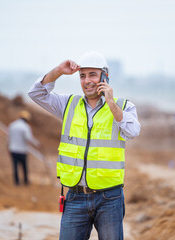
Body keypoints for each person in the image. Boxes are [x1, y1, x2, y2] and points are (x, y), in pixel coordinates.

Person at [28, 51, 140, 240]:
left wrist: (111, 103)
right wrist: (58, 71)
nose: (87, 81)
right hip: (75, 197)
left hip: (109, 198)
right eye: (83, 76)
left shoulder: (123, 106)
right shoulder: (68, 104)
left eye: (93, 75)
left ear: (105, 77)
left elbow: (133, 131)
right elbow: (36, 93)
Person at [8, 110, 39, 186]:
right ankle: (25, 181)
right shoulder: (26, 126)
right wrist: (37, 143)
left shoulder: (12, 125)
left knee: (15, 166)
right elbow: (28, 138)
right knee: (24, 166)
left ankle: (17, 182)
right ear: (27, 119)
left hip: (13, 149)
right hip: (22, 150)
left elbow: (9, 138)